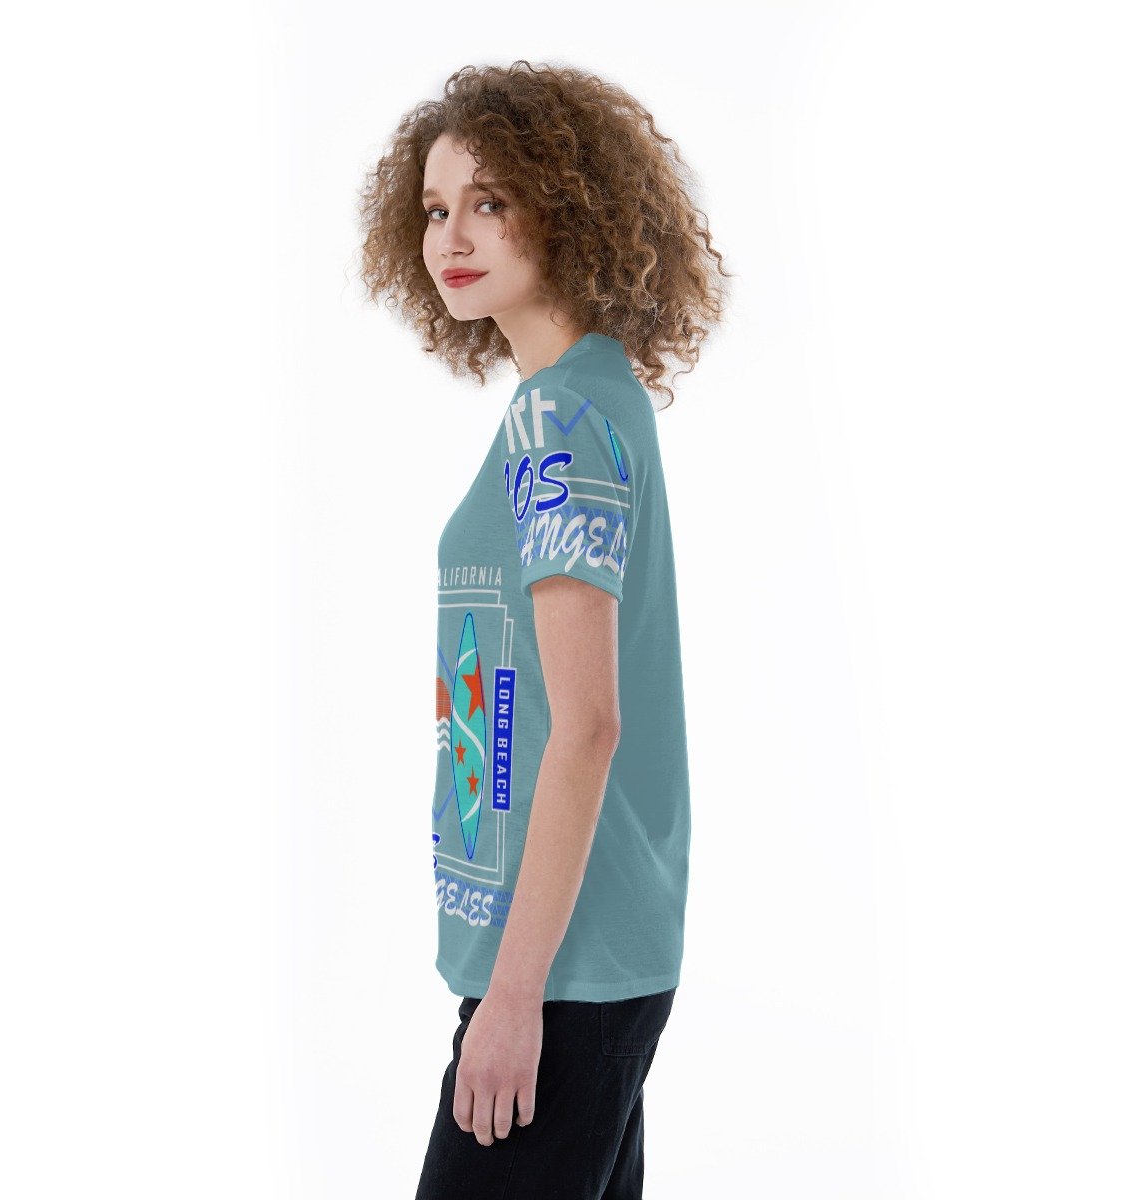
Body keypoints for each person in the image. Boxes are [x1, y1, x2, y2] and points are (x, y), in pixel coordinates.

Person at [357, 59, 730, 1199]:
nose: (452, 236)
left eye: (491, 200)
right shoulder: (577, 397)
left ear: (568, 208)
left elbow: (588, 725)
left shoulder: (562, 419)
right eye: (435, 209)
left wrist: (515, 997)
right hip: (578, 961)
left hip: (561, 976)